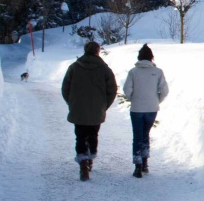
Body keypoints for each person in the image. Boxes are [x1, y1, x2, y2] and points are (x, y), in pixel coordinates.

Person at [61, 40, 117, 181]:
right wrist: (104, 105)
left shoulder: (74, 67)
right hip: (97, 109)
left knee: (80, 136)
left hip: (78, 108)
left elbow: (65, 88)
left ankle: (83, 164)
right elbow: (112, 90)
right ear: (97, 51)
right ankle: (90, 158)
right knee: (93, 134)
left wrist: (72, 103)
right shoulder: (104, 69)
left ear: (85, 50)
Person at [122, 44, 169, 178]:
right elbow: (164, 90)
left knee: (137, 136)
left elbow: (127, 90)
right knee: (145, 134)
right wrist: (156, 100)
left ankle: (137, 166)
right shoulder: (158, 72)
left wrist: (133, 99)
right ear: (151, 57)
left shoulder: (133, 72)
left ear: (139, 57)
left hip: (136, 108)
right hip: (152, 108)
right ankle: (145, 163)